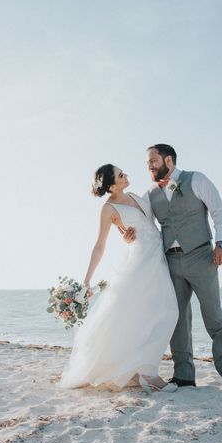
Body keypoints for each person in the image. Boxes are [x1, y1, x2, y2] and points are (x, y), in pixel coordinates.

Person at [128, 144, 222, 395]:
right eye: (148, 162)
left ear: (169, 160)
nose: (149, 165)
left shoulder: (196, 179)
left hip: (202, 256)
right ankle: (183, 376)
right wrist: (129, 233)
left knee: (214, 316)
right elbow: (143, 225)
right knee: (177, 319)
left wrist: (221, 243)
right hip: (171, 262)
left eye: (153, 160)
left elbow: (218, 211)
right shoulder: (149, 194)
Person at [59, 164, 179, 394]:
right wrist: (87, 280)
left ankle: (137, 369)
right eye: (121, 175)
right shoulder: (108, 209)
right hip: (140, 261)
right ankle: (149, 374)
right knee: (168, 310)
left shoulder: (135, 195)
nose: (126, 175)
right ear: (112, 185)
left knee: (151, 313)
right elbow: (99, 245)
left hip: (157, 257)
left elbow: (147, 221)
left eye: (123, 172)